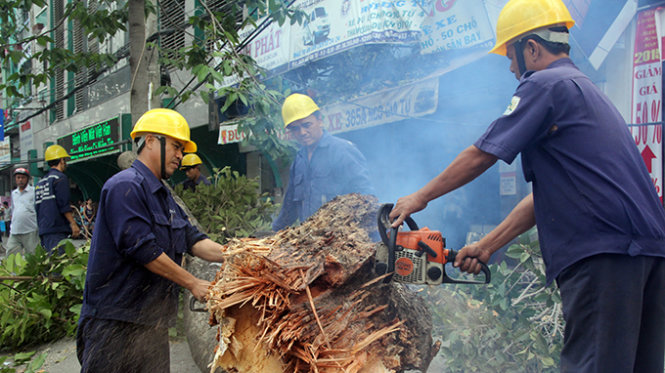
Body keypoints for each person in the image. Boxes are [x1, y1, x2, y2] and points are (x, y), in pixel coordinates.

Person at [388, 0, 665, 371]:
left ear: (531, 48)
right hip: (646, 253)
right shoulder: (586, 91)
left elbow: (482, 153)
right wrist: (487, 246)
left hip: (603, 253)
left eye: (511, 56)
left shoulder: (545, 84)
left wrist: (419, 197)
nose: (511, 67)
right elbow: (543, 200)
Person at [76, 108, 225, 373]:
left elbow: (194, 240)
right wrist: (193, 283)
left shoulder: (165, 198)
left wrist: (238, 253)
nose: (181, 156)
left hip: (152, 324)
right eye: (177, 147)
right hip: (115, 324)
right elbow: (143, 250)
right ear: (151, 141)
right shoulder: (125, 186)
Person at [272, 93, 374, 231]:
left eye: (306, 125)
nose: (302, 132)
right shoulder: (299, 160)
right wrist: (274, 235)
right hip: (310, 241)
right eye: (295, 128)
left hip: (341, 239)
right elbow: (289, 207)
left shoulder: (342, 150)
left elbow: (366, 197)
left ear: (319, 120)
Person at [35, 144, 80, 253]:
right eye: (64, 160)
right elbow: (63, 204)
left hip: (44, 230)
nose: (65, 163)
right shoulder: (60, 178)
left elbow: (37, 207)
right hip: (56, 229)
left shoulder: (41, 182)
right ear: (61, 160)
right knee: (59, 263)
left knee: (51, 263)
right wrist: (73, 223)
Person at [6, 168, 39, 256]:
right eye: (18, 177)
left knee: (33, 256)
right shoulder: (14, 194)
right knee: (11, 256)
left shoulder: (34, 191)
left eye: (23, 178)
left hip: (30, 230)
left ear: (27, 179)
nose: (20, 180)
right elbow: (13, 210)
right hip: (15, 231)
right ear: (15, 179)